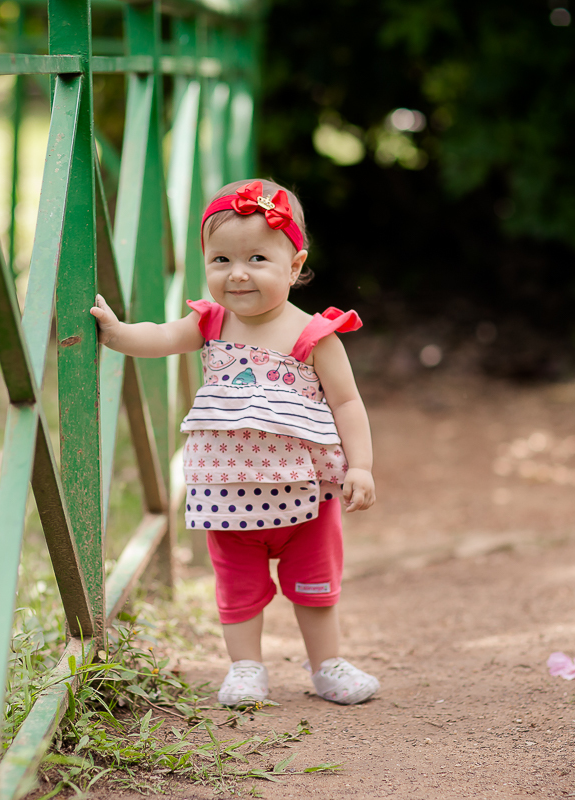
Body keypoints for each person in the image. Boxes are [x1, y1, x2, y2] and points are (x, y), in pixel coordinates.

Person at [90, 178, 379, 706]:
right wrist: (117, 333)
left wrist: (359, 465)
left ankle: (326, 664)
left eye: (257, 259)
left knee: (315, 582)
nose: (237, 273)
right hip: (228, 490)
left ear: (294, 266)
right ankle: (246, 668)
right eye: (220, 259)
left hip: (307, 491)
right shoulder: (211, 323)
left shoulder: (315, 335)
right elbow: (160, 336)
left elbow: (347, 403)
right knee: (237, 585)